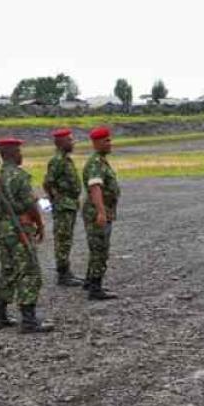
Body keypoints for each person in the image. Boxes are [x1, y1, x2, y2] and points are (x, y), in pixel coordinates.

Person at [0, 137, 53, 333]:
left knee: (8, 269)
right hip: (20, 229)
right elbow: (29, 205)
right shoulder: (19, 176)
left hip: (3, 230)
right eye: (19, 152)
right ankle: (29, 321)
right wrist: (40, 225)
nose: (21, 155)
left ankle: (0, 316)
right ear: (13, 154)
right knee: (30, 271)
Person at [82, 126, 121, 300]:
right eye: (106, 141)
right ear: (97, 143)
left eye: (109, 140)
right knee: (100, 249)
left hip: (101, 210)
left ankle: (90, 281)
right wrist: (101, 212)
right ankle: (95, 289)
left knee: (97, 247)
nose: (110, 143)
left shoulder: (100, 161)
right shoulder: (95, 163)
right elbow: (95, 187)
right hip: (97, 212)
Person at [43, 128, 83, 287]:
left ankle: (67, 272)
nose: (72, 143)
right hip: (63, 206)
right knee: (63, 240)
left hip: (70, 205)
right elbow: (48, 183)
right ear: (60, 143)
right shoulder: (57, 160)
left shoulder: (66, 159)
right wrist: (57, 200)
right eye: (69, 140)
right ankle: (63, 275)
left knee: (67, 239)